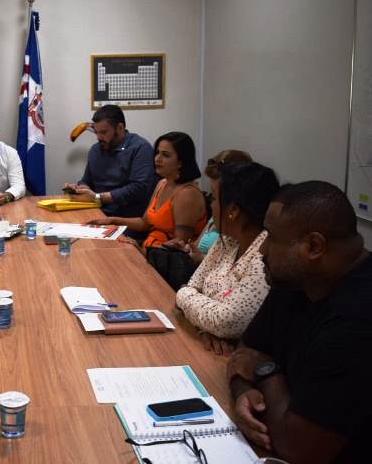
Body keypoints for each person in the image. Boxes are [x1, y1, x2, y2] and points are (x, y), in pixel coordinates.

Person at [227, 181, 371, 464]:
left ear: (313, 246)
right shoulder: (296, 280)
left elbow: (300, 448)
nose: (261, 250)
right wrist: (242, 389)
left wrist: (264, 370)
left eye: (270, 237)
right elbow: (244, 352)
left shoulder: (358, 321)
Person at [175, 162, 279, 355]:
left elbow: (228, 321)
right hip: (204, 346)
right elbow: (192, 286)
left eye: (213, 198)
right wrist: (205, 328)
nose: (210, 205)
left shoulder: (264, 252)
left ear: (233, 211)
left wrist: (183, 297)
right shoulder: (227, 240)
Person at [88, 131, 207, 250]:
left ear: (181, 162)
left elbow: (180, 245)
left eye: (165, 155)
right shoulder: (162, 183)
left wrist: (142, 251)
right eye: (157, 153)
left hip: (162, 261)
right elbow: (145, 223)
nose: (157, 159)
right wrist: (113, 220)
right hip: (148, 250)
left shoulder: (187, 194)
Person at [156, 149, 253, 289]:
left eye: (214, 196)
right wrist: (187, 249)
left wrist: (201, 260)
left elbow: (227, 279)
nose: (210, 203)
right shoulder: (217, 218)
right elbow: (196, 247)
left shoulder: (237, 232)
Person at [65, 105, 156, 218]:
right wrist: (80, 189)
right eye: (96, 132)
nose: (98, 137)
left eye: (103, 132)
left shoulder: (140, 148)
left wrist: (99, 197)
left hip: (126, 219)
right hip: (97, 213)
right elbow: (87, 181)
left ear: (120, 128)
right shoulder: (96, 149)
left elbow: (139, 188)